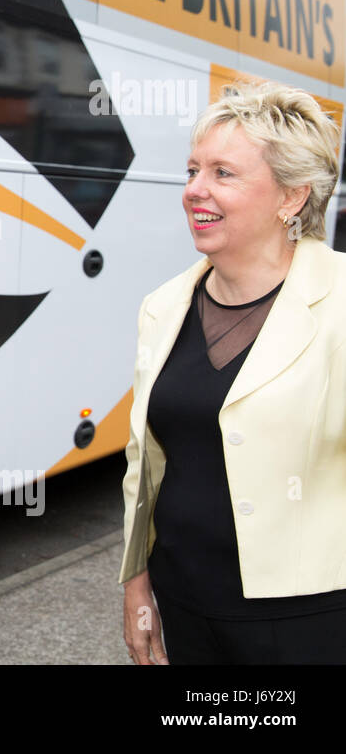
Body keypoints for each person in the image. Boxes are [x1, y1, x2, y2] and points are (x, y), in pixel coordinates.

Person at [121, 83, 346, 665]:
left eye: (223, 173)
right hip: (184, 598)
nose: (194, 189)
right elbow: (143, 467)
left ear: (292, 196)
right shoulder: (162, 306)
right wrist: (136, 585)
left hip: (311, 614)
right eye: (193, 169)